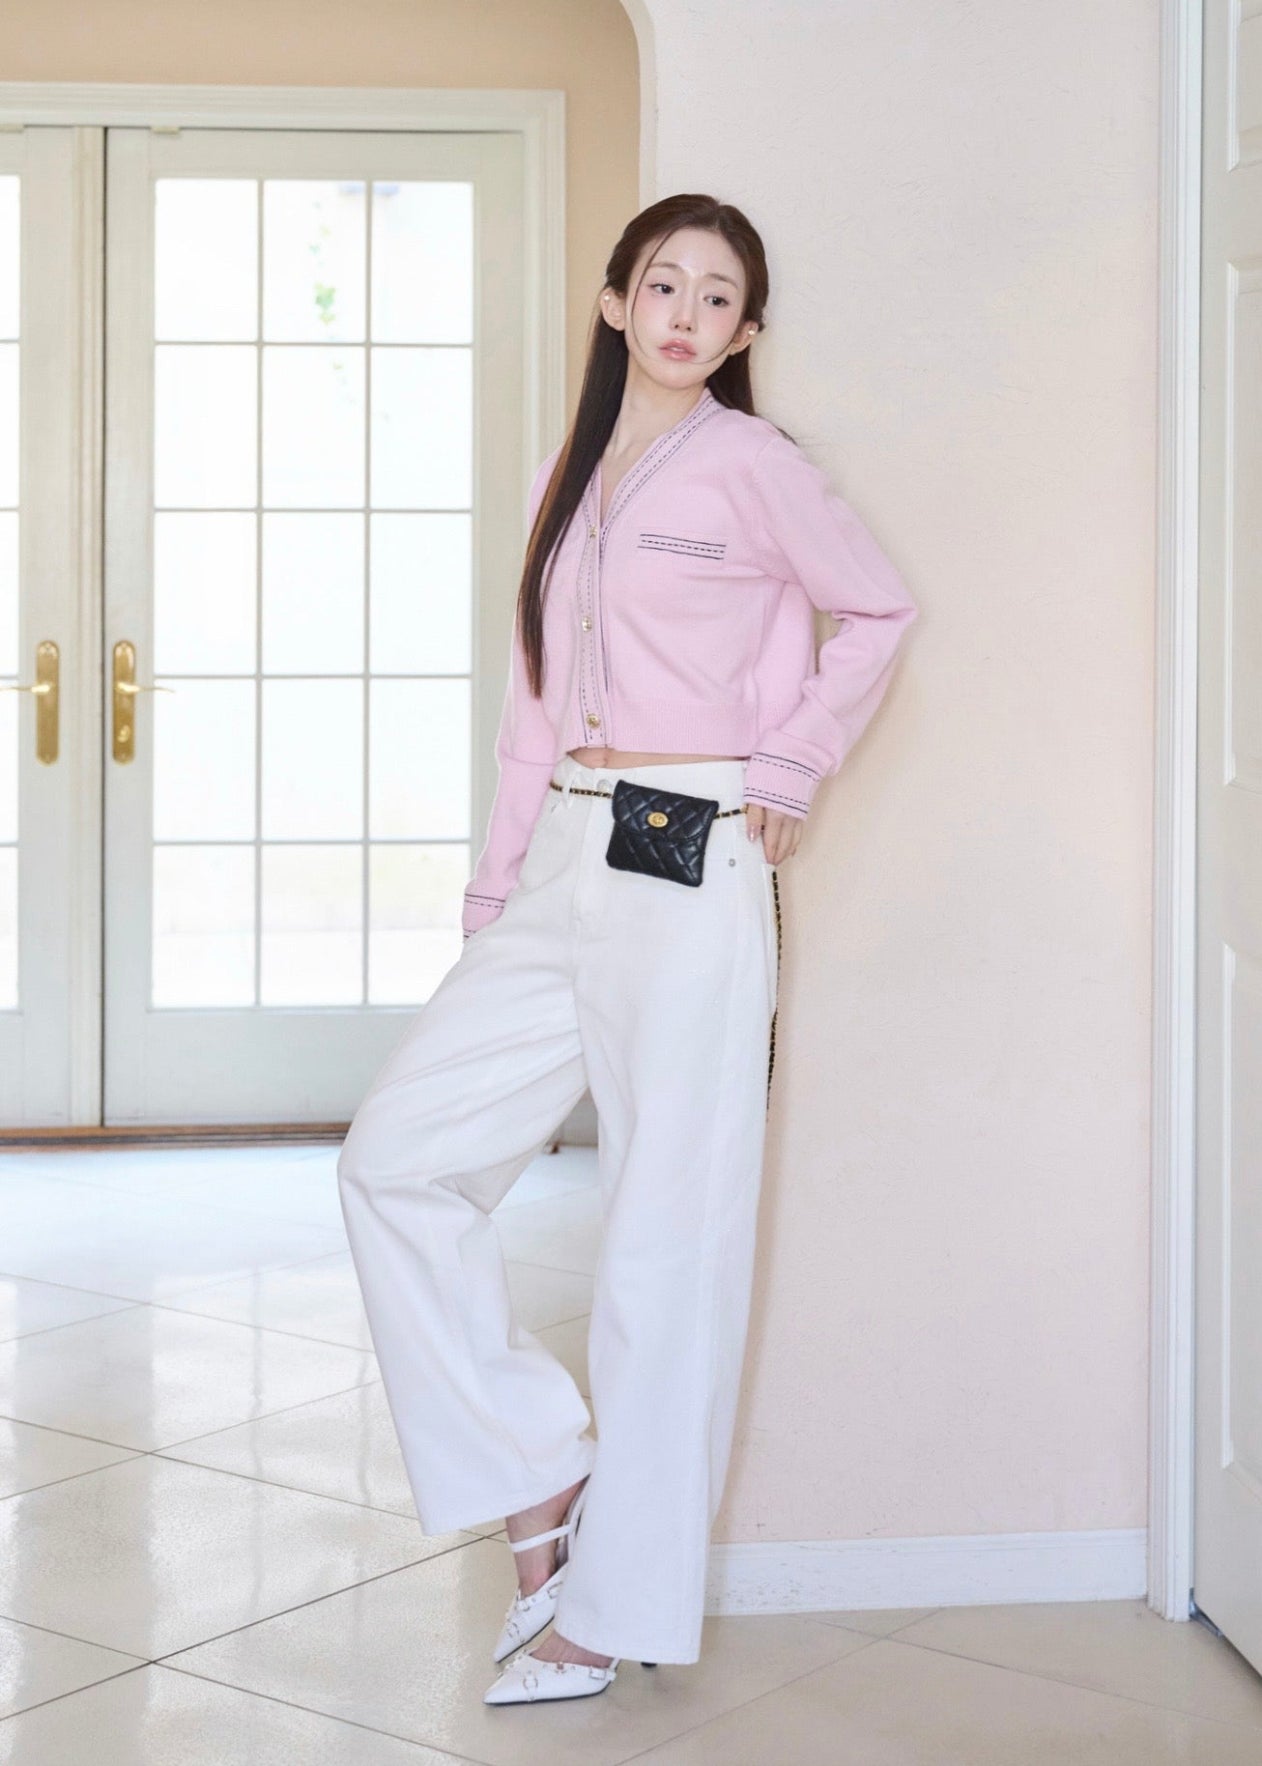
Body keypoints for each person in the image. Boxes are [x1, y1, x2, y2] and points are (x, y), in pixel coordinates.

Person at [337, 192, 918, 1706]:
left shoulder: (754, 465)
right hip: (562, 860)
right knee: (396, 1161)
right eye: (664, 285)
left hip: (690, 852)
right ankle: (540, 1469)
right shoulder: (571, 472)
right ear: (615, 302)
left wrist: (792, 762)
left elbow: (878, 607)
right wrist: (494, 895)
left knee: (667, 1242)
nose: (686, 314)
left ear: (744, 331)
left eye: (718, 298)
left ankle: (615, 1605)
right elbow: (531, 704)